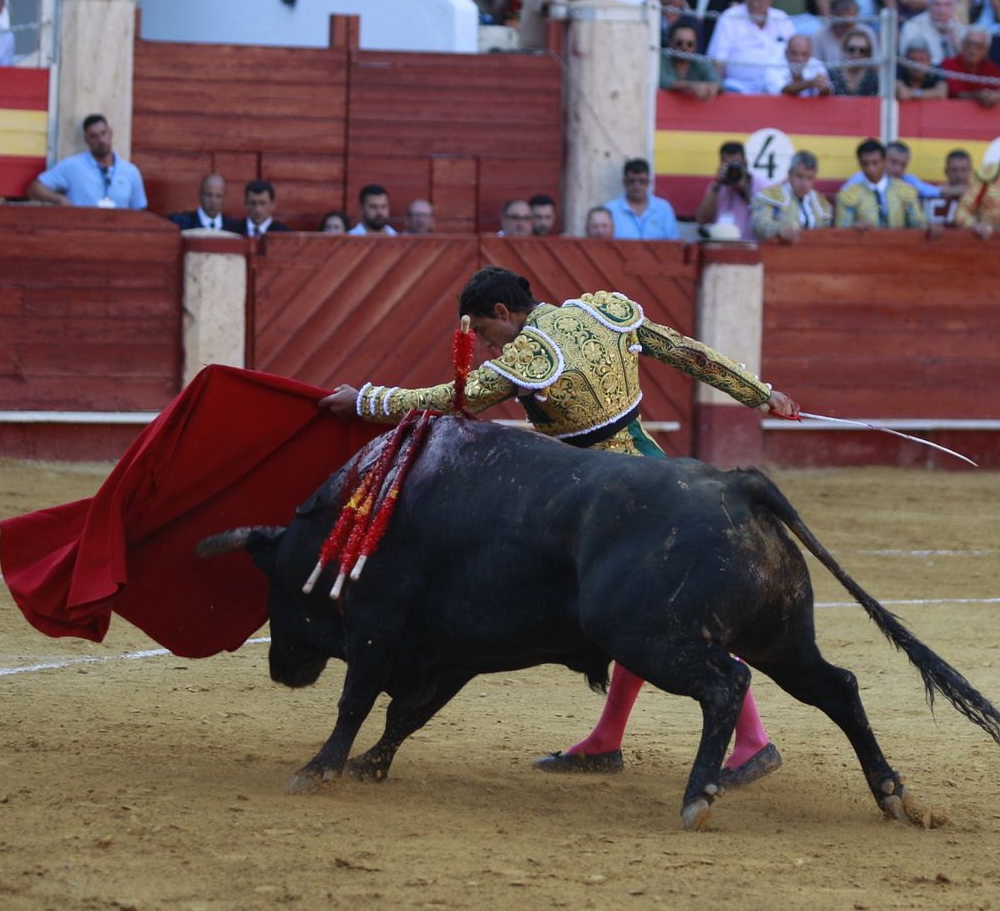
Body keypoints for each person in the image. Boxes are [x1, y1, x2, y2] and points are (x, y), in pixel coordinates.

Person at [319, 266, 801, 784]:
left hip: (612, 501)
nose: (483, 345)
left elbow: (452, 399)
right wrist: (758, 392)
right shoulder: (600, 311)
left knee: (671, 615)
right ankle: (607, 739)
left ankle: (752, 740)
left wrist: (367, 399)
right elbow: (687, 352)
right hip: (656, 471)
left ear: (504, 313)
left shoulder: (531, 355)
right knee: (633, 614)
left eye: (482, 331)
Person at [26, 114, 145, 209]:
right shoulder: (72, 166)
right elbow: (35, 189)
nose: (101, 140)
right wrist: (60, 199)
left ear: (110, 133)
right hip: (83, 233)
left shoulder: (131, 171)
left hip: (119, 235)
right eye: (94, 136)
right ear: (86, 139)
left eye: (103, 133)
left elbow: (138, 209)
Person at [707, 0, 794, 95]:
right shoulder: (730, 17)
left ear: (770, 0)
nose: (755, 4)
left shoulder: (782, 18)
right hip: (738, 87)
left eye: (761, 0)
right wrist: (716, 89)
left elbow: (796, 52)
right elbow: (718, 59)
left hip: (779, 87)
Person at [834, 138, 925, 228]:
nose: (870, 169)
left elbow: (919, 225)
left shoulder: (905, 190)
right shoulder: (849, 194)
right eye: (865, 163)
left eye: (875, 163)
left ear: (884, 161)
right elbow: (842, 229)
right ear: (859, 163)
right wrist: (854, 227)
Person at [750, 150, 831, 242]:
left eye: (810, 178)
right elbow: (759, 224)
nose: (804, 183)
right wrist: (778, 229)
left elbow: (828, 231)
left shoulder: (821, 203)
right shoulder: (770, 196)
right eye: (799, 176)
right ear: (789, 174)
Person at [695, 140, 759, 240]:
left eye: (735, 165)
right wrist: (717, 186)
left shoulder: (761, 184)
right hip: (720, 246)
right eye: (728, 166)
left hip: (750, 247)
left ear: (745, 163)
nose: (732, 171)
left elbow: (764, 216)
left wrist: (743, 190)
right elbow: (701, 219)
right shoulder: (716, 186)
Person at [606, 157, 680, 240]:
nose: (637, 186)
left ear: (648, 183)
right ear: (624, 182)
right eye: (631, 181)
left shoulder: (663, 208)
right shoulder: (610, 210)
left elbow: (673, 244)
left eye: (642, 181)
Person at [897, 0, 961, 63]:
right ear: (928, 5)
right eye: (937, 4)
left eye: (947, 4)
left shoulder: (957, 26)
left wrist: (955, 39)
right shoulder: (912, 27)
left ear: (953, 7)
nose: (942, 10)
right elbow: (909, 63)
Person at [941, 25, 1000, 105]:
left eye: (979, 46)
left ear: (986, 50)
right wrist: (978, 95)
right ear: (962, 44)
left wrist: (996, 96)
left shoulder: (992, 68)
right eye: (969, 44)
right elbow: (956, 92)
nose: (973, 50)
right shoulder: (948, 64)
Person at [660, 20, 721, 100]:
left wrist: (712, 88)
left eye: (690, 44)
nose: (684, 48)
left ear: (696, 46)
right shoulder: (661, 58)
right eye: (679, 43)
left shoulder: (700, 61)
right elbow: (663, 82)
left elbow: (719, 83)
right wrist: (693, 86)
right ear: (670, 43)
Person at [168, 172, 243, 232]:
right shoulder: (182, 222)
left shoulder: (235, 228)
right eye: (208, 195)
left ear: (224, 198)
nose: (213, 201)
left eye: (218, 196)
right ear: (200, 195)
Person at [772, 33, 832, 97]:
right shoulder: (773, 65)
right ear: (786, 52)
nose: (799, 59)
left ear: (810, 54)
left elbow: (827, 93)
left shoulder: (817, 65)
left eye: (804, 54)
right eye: (794, 53)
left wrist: (823, 87)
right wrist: (811, 83)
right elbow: (782, 90)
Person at [830, 25, 879, 96]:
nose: (856, 54)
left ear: (868, 54)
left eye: (862, 50)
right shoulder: (832, 76)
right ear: (844, 49)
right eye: (851, 49)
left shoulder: (874, 80)